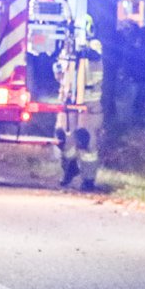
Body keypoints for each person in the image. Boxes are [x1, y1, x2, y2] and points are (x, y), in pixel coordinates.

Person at [58, 14, 105, 191]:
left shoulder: (94, 45)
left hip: (89, 102)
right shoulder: (67, 48)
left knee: (86, 140)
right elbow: (61, 71)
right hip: (69, 100)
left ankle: (89, 179)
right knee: (63, 137)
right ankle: (70, 169)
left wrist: (80, 47)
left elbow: (92, 54)